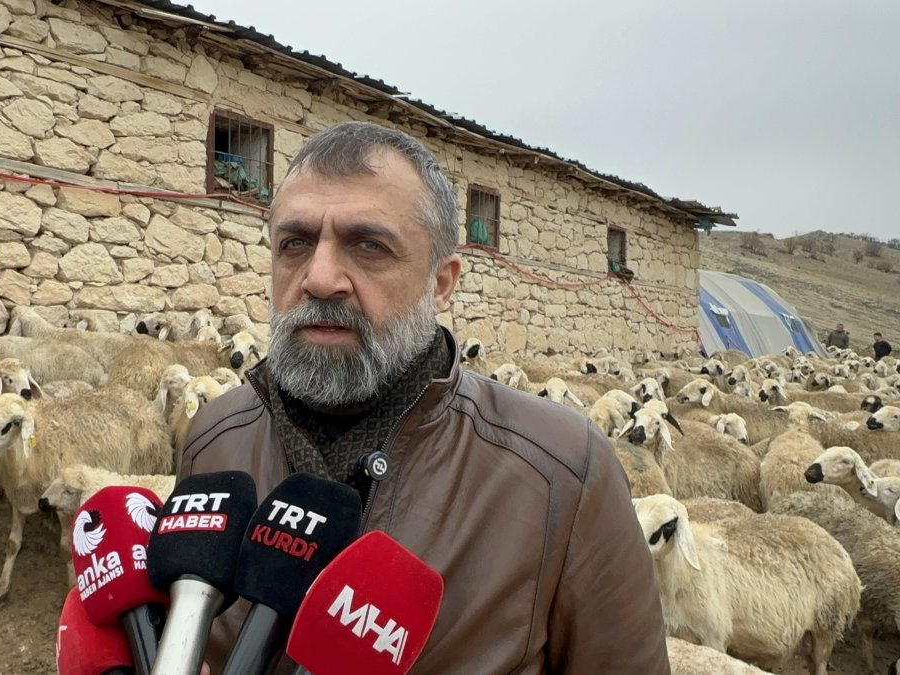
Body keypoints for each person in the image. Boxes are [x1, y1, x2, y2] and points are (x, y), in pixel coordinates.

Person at [177, 122, 669, 674]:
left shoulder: (562, 474)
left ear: (441, 282)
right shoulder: (214, 441)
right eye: (296, 243)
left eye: (369, 246)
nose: (318, 278)